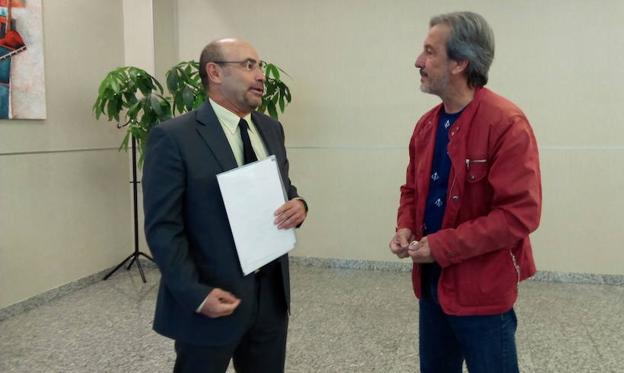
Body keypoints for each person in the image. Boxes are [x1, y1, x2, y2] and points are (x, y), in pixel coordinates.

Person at [142, 38, 308, 373]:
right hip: (210, 300)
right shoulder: (173, 137)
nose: (261, 75)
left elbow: (284, 189)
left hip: (271, 298)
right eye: (249, 65)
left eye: (260, 66)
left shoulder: (270, 129)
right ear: (214, 72)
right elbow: (163, 228)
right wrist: (196, 295)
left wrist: (299, 204)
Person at [389, 12, 541, 373]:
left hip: (483, 294)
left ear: (460, 62)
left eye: (429, 52)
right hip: (431, 287)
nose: (418, 61)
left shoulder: (506, 124)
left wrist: (441, 246)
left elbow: (519, 215)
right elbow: (412, 189)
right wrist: (405, 226)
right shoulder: (426, 126)